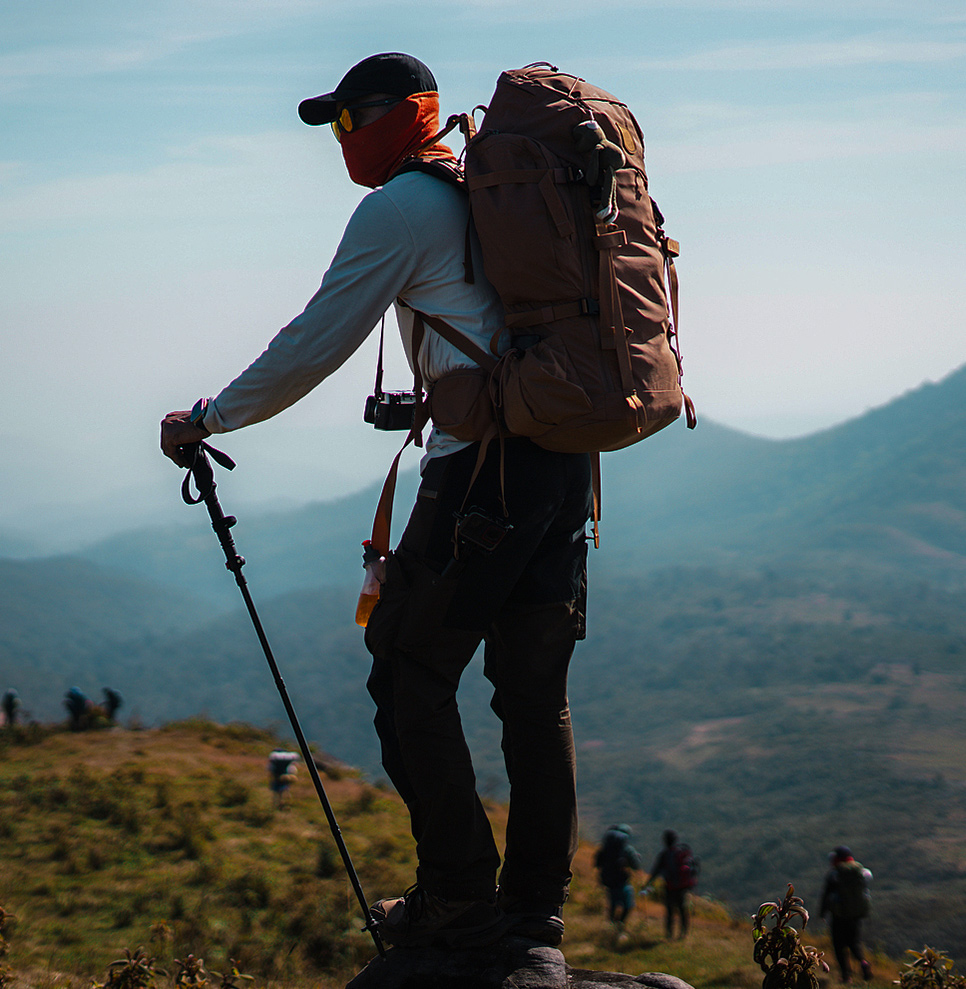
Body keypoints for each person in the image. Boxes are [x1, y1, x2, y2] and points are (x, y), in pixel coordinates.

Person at [160, 52, 592, 951]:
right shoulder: (489, 186)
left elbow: (313, 339)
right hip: (564, 464)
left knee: (406, 674)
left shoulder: (402, 207)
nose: (343, 140)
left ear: (404, 113)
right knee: (533, 697)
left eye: (350, 121)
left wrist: (211, 417)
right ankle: (533, 913)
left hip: (480, 471)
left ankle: (461, 897)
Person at [820, 845, 873, 984]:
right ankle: (863, 962)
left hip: (839, 916)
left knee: (839, 945)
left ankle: (846, 976)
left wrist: (822, 912)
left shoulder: (835, 874)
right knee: (854, 942)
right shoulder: (860, 872)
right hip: (855, 915)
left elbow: (827, 895)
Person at [641, 829, 698, 939]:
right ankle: (684, 933)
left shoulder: (664, 855)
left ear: (665, 841)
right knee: (682, 910)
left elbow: (655, 871)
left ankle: (669, 935)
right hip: (683, 887)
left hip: (670, 887)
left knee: (670, 912)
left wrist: (647, 884)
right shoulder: (682, 853)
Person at [594, 825, 643, 930]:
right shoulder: (626, 849)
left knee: (613, 903)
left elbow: (597, 863)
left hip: (608, 881)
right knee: (628, 905)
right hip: (622, 881)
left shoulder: (605, 848)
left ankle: (612, 925)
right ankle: (620, 924)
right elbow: (636, 865)